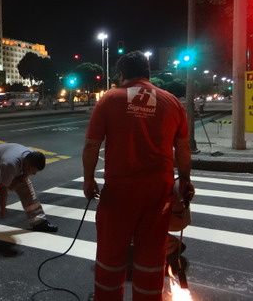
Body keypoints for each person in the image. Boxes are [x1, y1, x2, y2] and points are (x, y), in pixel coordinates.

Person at [83, 51, 194, 301]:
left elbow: (92, 145)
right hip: (159, 192)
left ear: (122, 75)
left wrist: (88, 179)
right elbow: (183, 147)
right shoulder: (172, 101)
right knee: (152, 255)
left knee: (111, 253)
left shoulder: (110, 99)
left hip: (119, 192)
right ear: (148, 73)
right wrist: (185, 180)